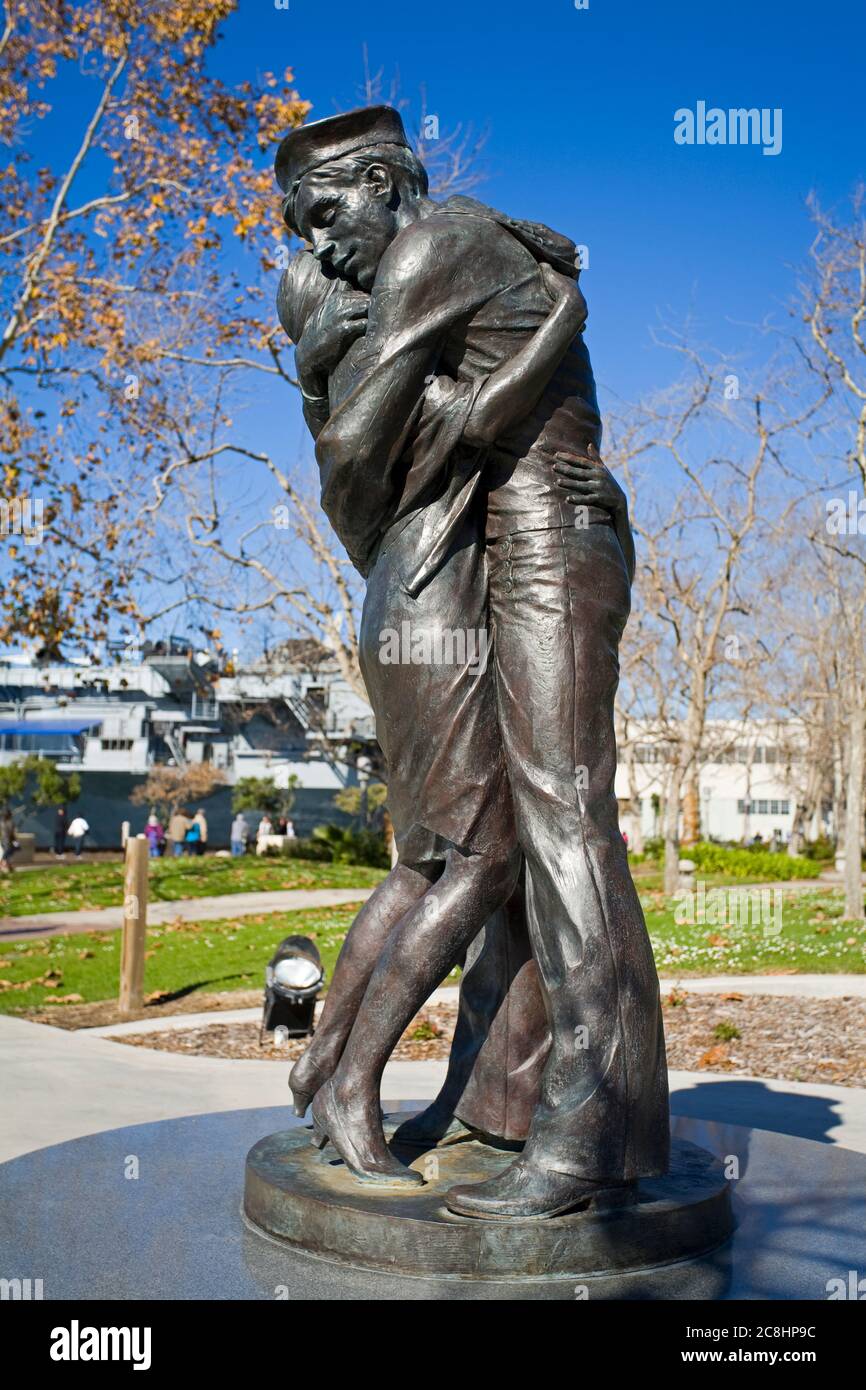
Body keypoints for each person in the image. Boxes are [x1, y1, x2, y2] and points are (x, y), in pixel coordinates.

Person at [278, 105, 667, 1216]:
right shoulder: (449, 244)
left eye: (326, 213)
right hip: (519, 537)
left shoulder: (435, 242)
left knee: (556, 820)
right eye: (302, 228)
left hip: (545, 535)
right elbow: (475, 411)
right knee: (501, 850)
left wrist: (360, 429)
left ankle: (578, 1136)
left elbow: (362, 446)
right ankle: (516, 1106)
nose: (320, 243)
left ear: (386, 182)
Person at [0, 808, 18, 874]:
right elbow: (12, 834)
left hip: (3, 841)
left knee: (7, 854)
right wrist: (15, 841)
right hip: (8, 841)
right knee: (7, 854)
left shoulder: (1, 822)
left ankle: (10, 867)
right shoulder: (10, 823)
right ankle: (4, 866)